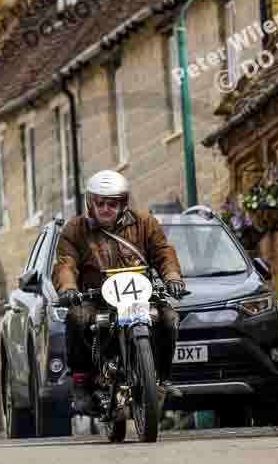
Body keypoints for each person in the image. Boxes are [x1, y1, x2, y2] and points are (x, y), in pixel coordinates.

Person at [53, 170, 185, 415]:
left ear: (123, 203)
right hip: (96, 300)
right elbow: (65, 263)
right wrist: (69, 288)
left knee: (168, 318)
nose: (105, 208)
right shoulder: (75, 229)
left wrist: (172, 277)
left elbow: (163, 252)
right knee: (76, 318)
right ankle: (81, 384)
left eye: (111, 203)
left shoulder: (145, 222)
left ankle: (163, 378)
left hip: (140, 296)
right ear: (90, 203)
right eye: (100, 203)